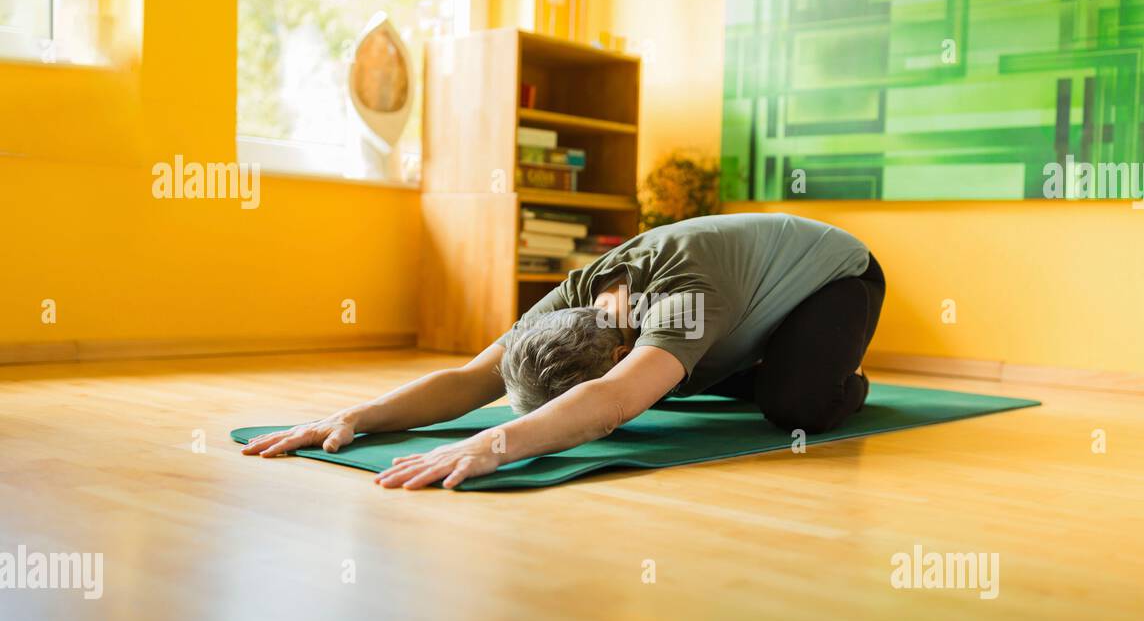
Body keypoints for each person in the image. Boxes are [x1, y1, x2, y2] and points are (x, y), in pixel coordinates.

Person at [242, 213, 885, 489]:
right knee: (674, 373)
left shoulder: (685, 301)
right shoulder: (574, 298)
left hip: (839, 281)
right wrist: (357, 415)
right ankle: (757, 361)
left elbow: (608, 405)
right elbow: (473, 379)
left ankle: (843, 381)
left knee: (794, 405)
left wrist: (490, 445)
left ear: (611, 358)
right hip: (738, 308)